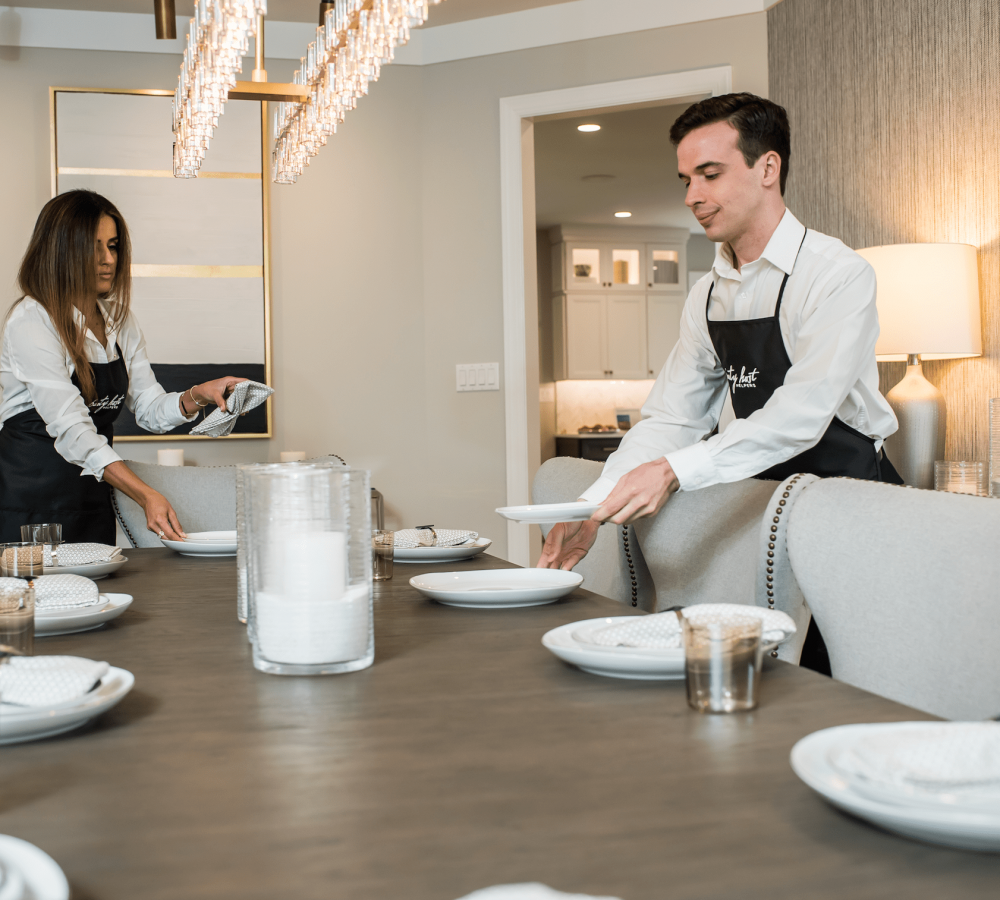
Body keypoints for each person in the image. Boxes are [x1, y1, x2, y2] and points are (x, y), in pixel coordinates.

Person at [537, 93, 902, 672]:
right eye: (685, 179)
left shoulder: (837, 276)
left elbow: (800, 416)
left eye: (709, 174)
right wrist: (593, 508)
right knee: (766, 666)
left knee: (846, 670)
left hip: (850, 501)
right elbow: (674, 418)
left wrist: (676, 469)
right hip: (760, 498)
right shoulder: (707, 296)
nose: (692, 197)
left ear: (767, 168)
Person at [0, 190, 246, 544]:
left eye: (113, 246)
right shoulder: (31, 319)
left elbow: (148, 409)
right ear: (62, 251)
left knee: (97, 597)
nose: (108, 259)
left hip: (89, 493)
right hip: (27, 500)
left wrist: (200, 395)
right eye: (94, 247)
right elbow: (72, 427)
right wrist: (145, 494)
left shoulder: (119, 320)